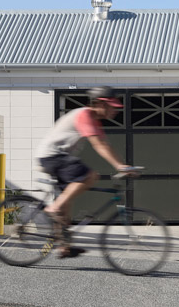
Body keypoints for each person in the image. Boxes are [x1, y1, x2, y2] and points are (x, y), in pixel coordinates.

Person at [36, 87, 134, 257]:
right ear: (98, 104)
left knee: (66, 206)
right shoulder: (84, 115)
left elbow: (106, 144)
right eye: (111, 106)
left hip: (56, 157)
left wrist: (123, 164)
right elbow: (99, 145)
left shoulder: (95, 121)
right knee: (89, 176)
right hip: (53, 156)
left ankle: (64, 247)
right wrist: (121, 167)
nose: (114, 110)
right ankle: (53, 208)